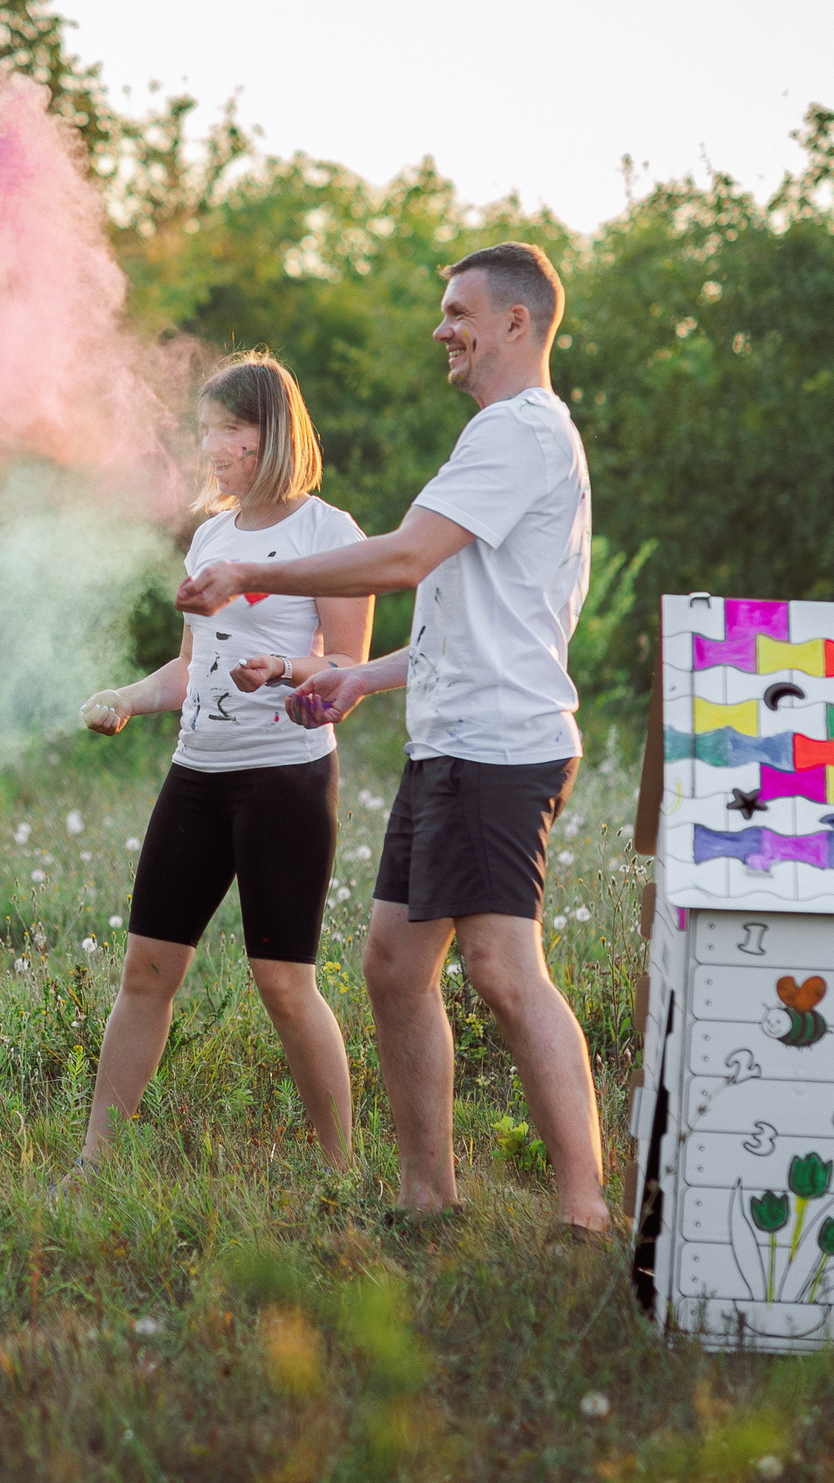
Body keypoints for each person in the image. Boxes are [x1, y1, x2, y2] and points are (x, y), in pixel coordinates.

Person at [177, 242, 608, 1234]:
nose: (440, 328)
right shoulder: (502, 436)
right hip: (454, 735)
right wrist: (360, 675)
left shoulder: (518, 433)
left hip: (499, 744)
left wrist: (255, 573)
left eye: (458, 310)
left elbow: (407, 558)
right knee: (392, 965)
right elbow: (470, 613)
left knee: (502, 967)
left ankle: (582, 1210)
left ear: (517, 321)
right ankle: (427, 1199)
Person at [71, 353, 373, 1179]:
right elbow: (189, 666)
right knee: (146, 972)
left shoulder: (330, 534)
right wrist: (130, 694)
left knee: (283, 983)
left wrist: (283, 670)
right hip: (196, 775)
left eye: (226, 430)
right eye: (204, 429)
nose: (210, 446)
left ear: (270, 434)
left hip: (285, 777)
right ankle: (94, 1167)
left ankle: (340, 1172)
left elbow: (349, 669)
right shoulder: (212, 535)